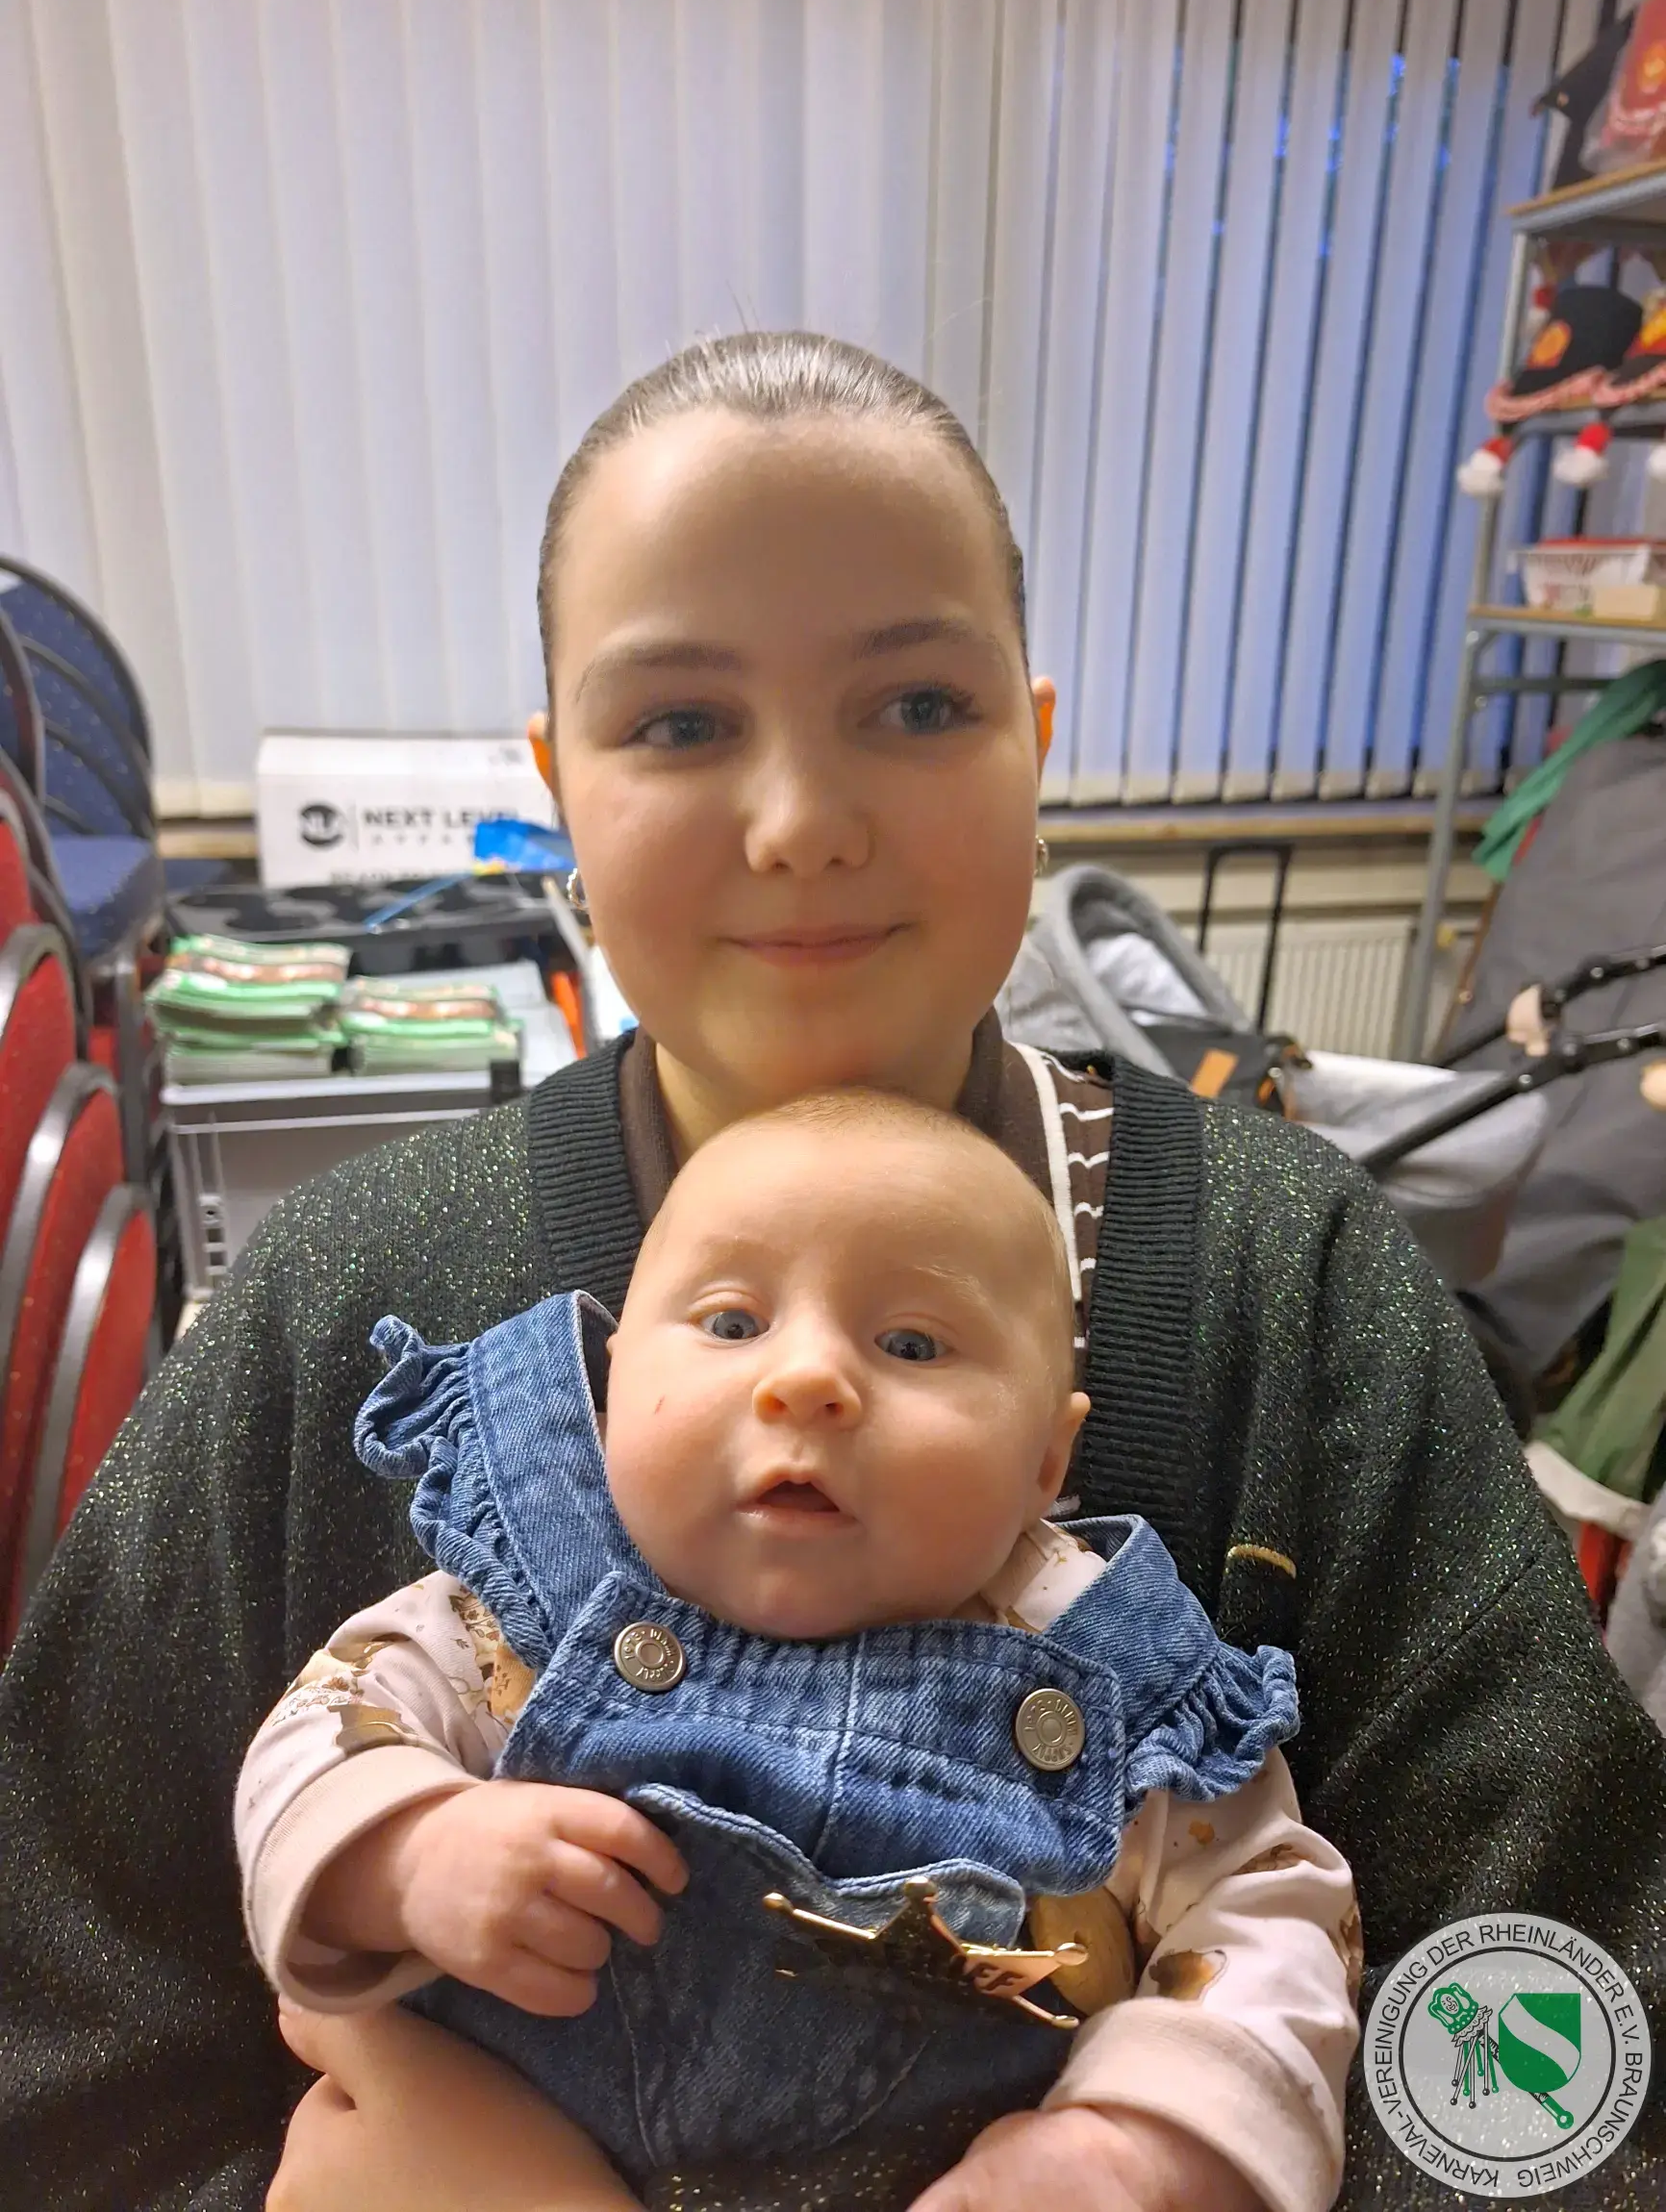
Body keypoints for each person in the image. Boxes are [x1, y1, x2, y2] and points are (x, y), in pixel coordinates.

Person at [1, 329, 1663, 2212]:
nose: (800, 821)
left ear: (1034, 736)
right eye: (678, 724)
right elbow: (63, 2050)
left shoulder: (1296, 1288)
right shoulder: (335, 1306)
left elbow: (1553, 2038)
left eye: (918, 703)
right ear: (557, 781)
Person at [235, 1091, 1358, 2212]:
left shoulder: (1113, 1682)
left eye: (911, 1342)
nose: (807, 1377)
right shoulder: (521, 1587)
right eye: (731, 1323)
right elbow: (325, 1728)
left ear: (1042, 1460)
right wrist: (410, 1854)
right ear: (615, 1387)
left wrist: (1135, 2147)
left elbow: (1265, 1909)